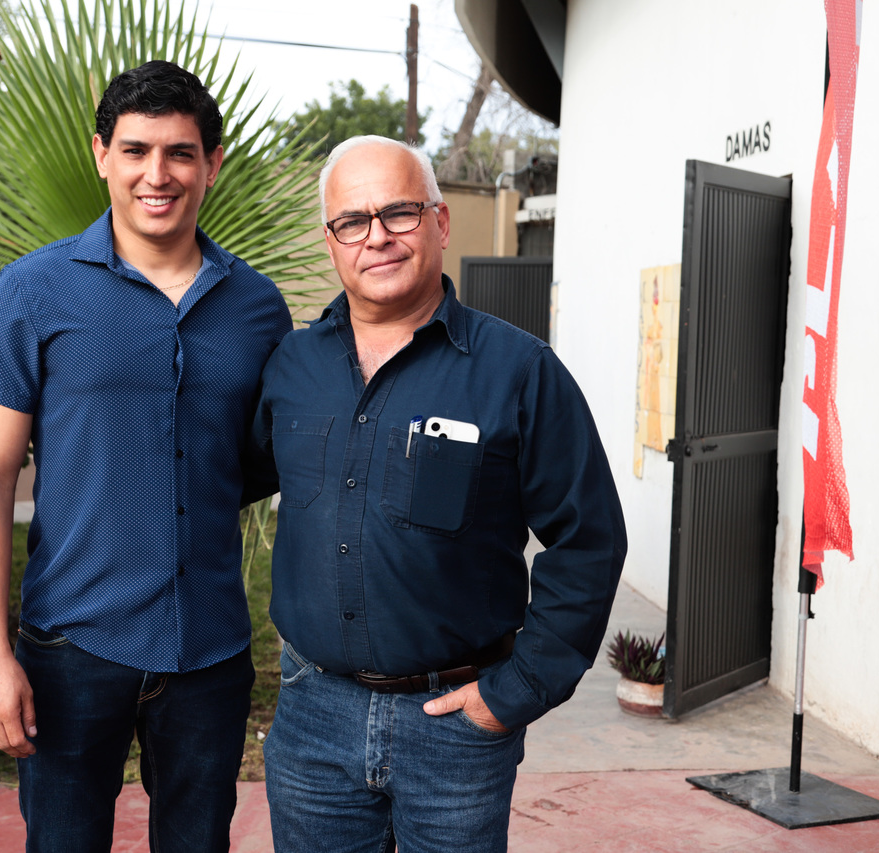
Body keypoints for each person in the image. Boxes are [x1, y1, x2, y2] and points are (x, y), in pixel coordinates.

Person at [252, 135, 628, 852]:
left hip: (454, 730)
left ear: (441, 221)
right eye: (352, 221)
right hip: (311, 723)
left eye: (399, 212)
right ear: (331, 241)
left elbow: (589, 539)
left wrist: (516, 692)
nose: (377, 237)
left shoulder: (520, 371)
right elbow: (223, 478)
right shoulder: (290, 366)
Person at [0, 60, 292, 853]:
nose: (157, 174)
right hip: (71, 649)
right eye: (136, 150)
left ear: (212, 164)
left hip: (210, 650)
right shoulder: (32, 290)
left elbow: (259, 461)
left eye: (180, 153)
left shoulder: (258, 307)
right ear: (102, 154)